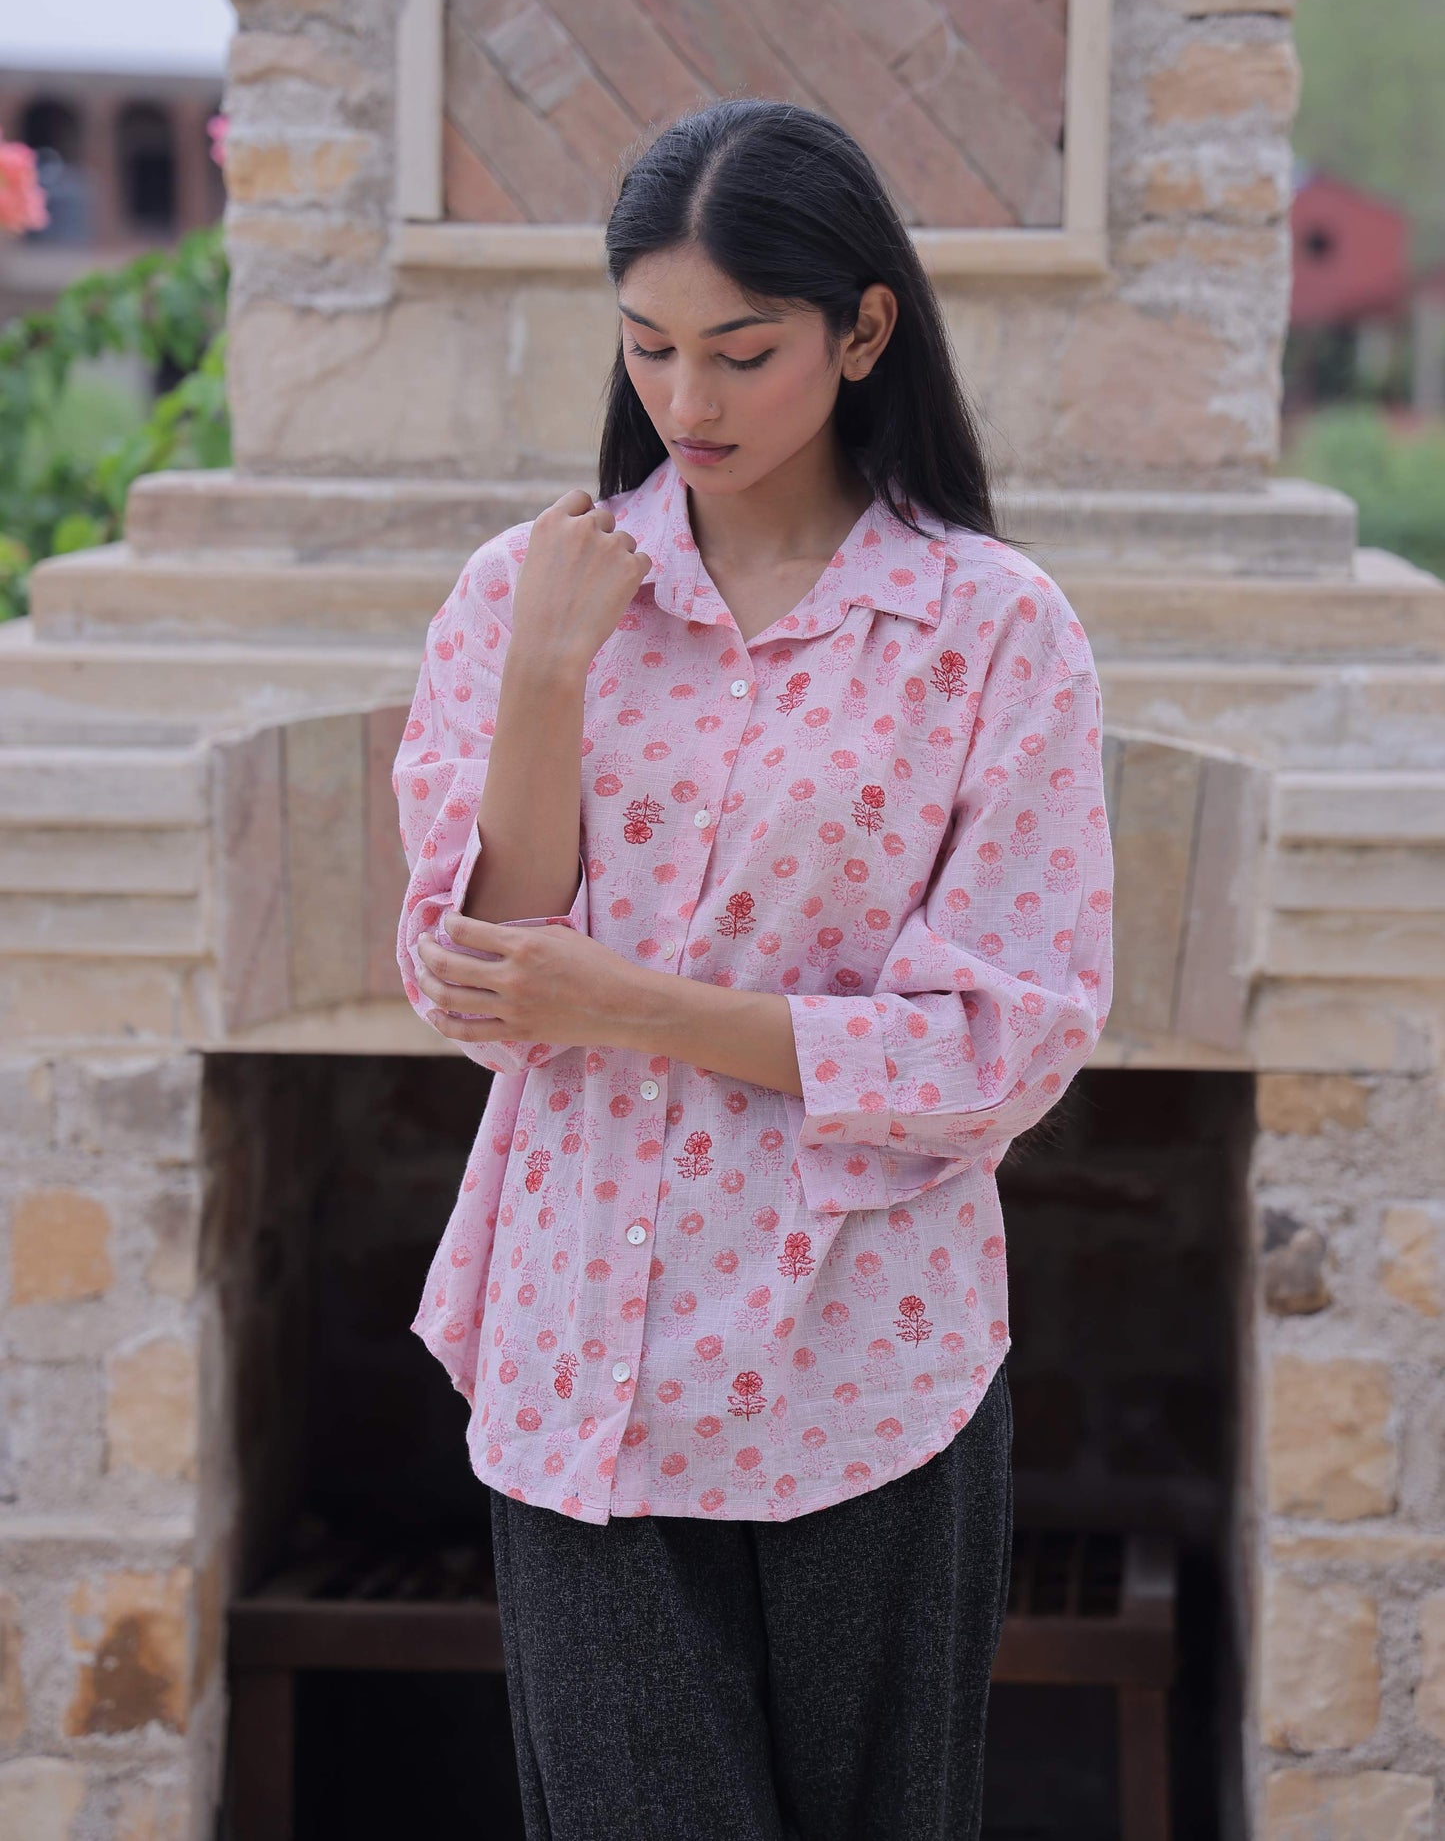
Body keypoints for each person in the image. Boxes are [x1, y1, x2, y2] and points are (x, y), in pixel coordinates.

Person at [394, 99, 1114, 1841]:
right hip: (583, 1358)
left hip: (863, 1356)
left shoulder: (992, 628)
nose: (688, 402)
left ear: (863, 332)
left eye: (741, 350)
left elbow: (997, 1045)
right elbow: (470, 976)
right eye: (648, 348)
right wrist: (550, 679)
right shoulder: (527, 593)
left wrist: (634, 1008)